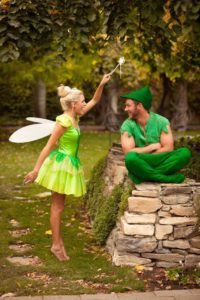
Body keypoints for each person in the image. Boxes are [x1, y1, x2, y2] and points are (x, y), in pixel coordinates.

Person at [24, 74, 111, 261]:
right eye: (82, 101)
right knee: (57, 206)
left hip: (69, 163)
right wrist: (36, 170)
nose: (84, 103)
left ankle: (58, 242)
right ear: (73, 105)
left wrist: (102, 84)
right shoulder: (64, 121)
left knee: (60, 206)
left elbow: (95, 100)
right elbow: (48, 145)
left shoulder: (74, 118)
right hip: (61, 165)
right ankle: (56, 245)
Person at [120, 86, 191, 184]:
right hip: (141, 160)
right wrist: (150, 148)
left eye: (128, 106)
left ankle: (144, 175)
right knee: (130, 158)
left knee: (184, 153)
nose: (125, 109)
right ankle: (165, 178)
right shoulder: (127, 125)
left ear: (139, 105)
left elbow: (168, 148)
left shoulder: (162, 121)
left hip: (157, 159)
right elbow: (128, 152)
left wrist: (145, 155)